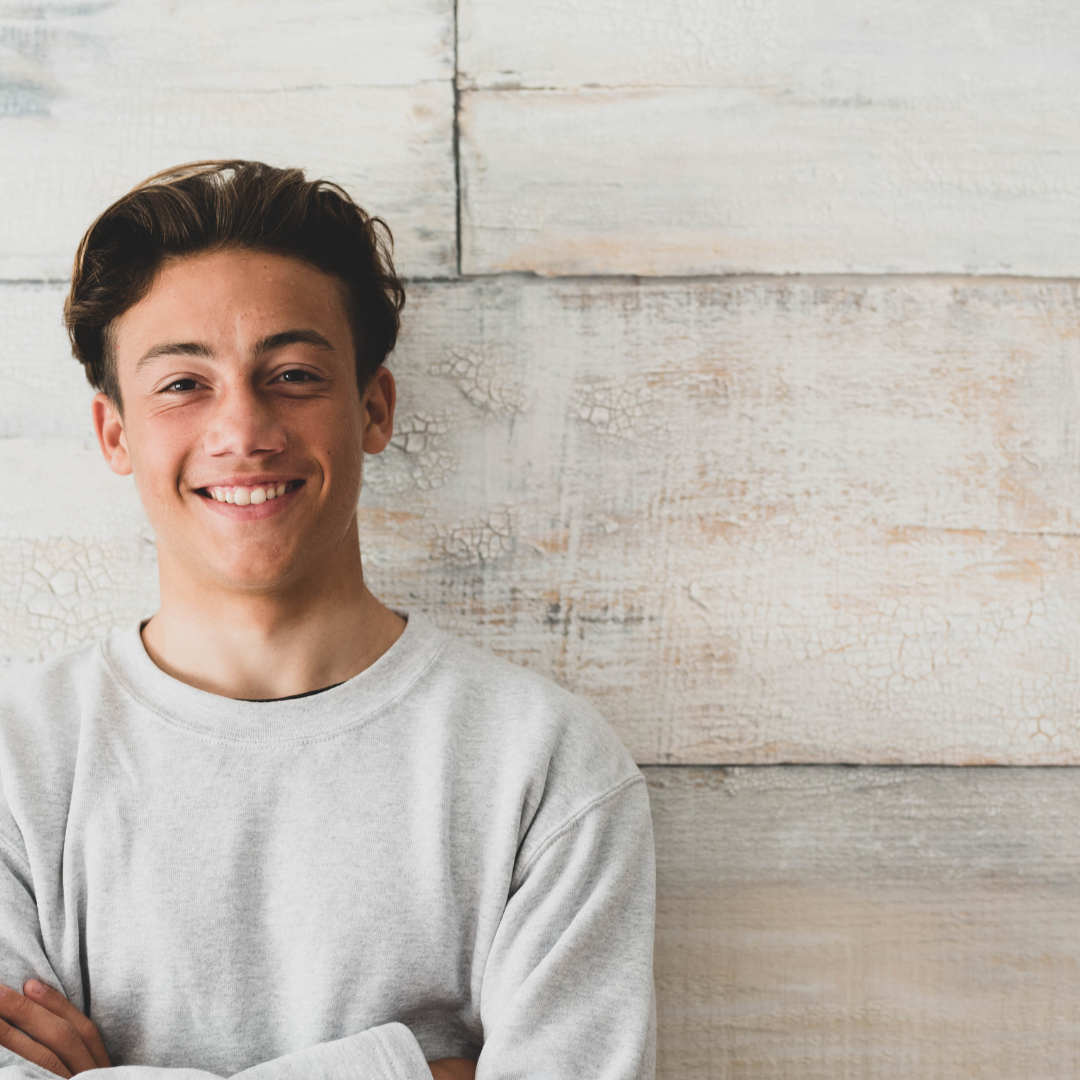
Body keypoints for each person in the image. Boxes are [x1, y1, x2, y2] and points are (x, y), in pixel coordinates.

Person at [0, 161, 656, 1080]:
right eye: (184, 384)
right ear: (115, 434)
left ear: (374, 408)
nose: (244, 430)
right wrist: (411, 1071)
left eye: (294, 374)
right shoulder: (17, 765)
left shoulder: (541, 765)